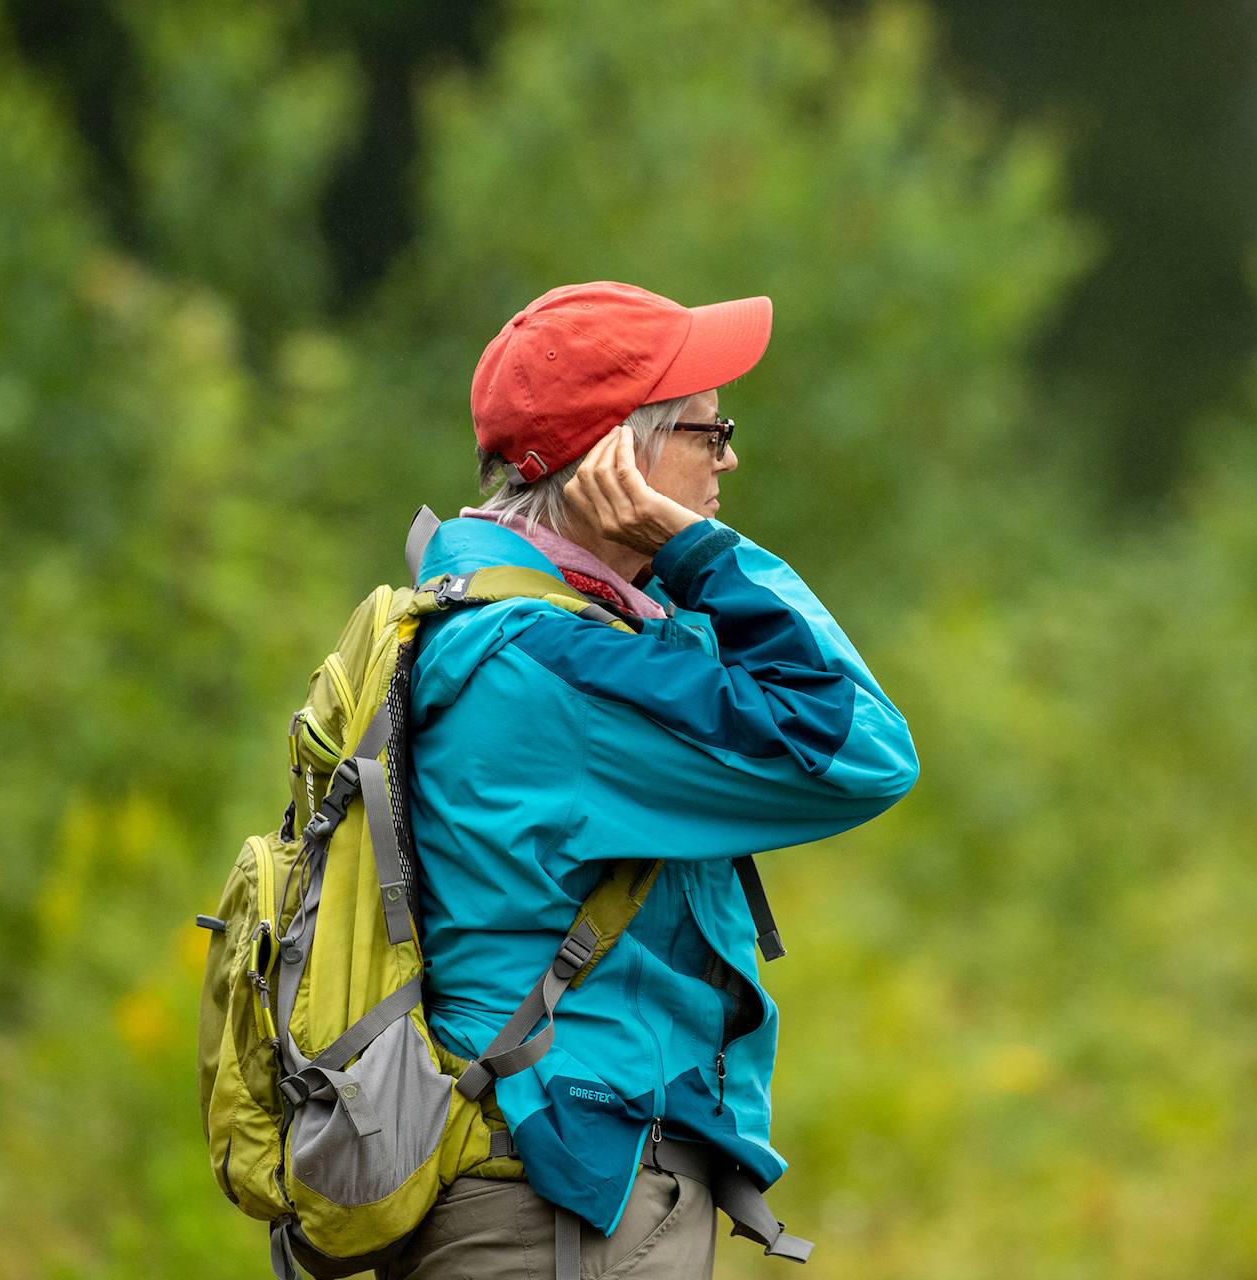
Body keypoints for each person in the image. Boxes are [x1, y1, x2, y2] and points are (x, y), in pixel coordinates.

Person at [384, 281, 919, 1280]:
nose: (728, 459)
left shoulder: (522, 626)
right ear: (617, 461)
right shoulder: (557, 667)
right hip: (566, 1199)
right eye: (708, 432)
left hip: (551, 1180)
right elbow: (862, 748)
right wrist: (700, 550)